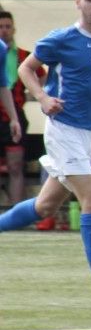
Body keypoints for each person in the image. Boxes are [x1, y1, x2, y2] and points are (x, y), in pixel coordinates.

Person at [0, 0, 91, 303]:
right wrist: (43, 99)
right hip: (62, 130)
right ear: (77, 3)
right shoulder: (61, 38)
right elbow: (25, 70)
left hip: (90, 132)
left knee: (45, 206)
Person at [0, 11, 26, 204]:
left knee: (15, 166)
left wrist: (15, 118)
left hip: (10, 115)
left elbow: (3, 86)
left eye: (7, 26)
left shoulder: (20, 55)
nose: (4, 31)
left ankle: (16, 214)